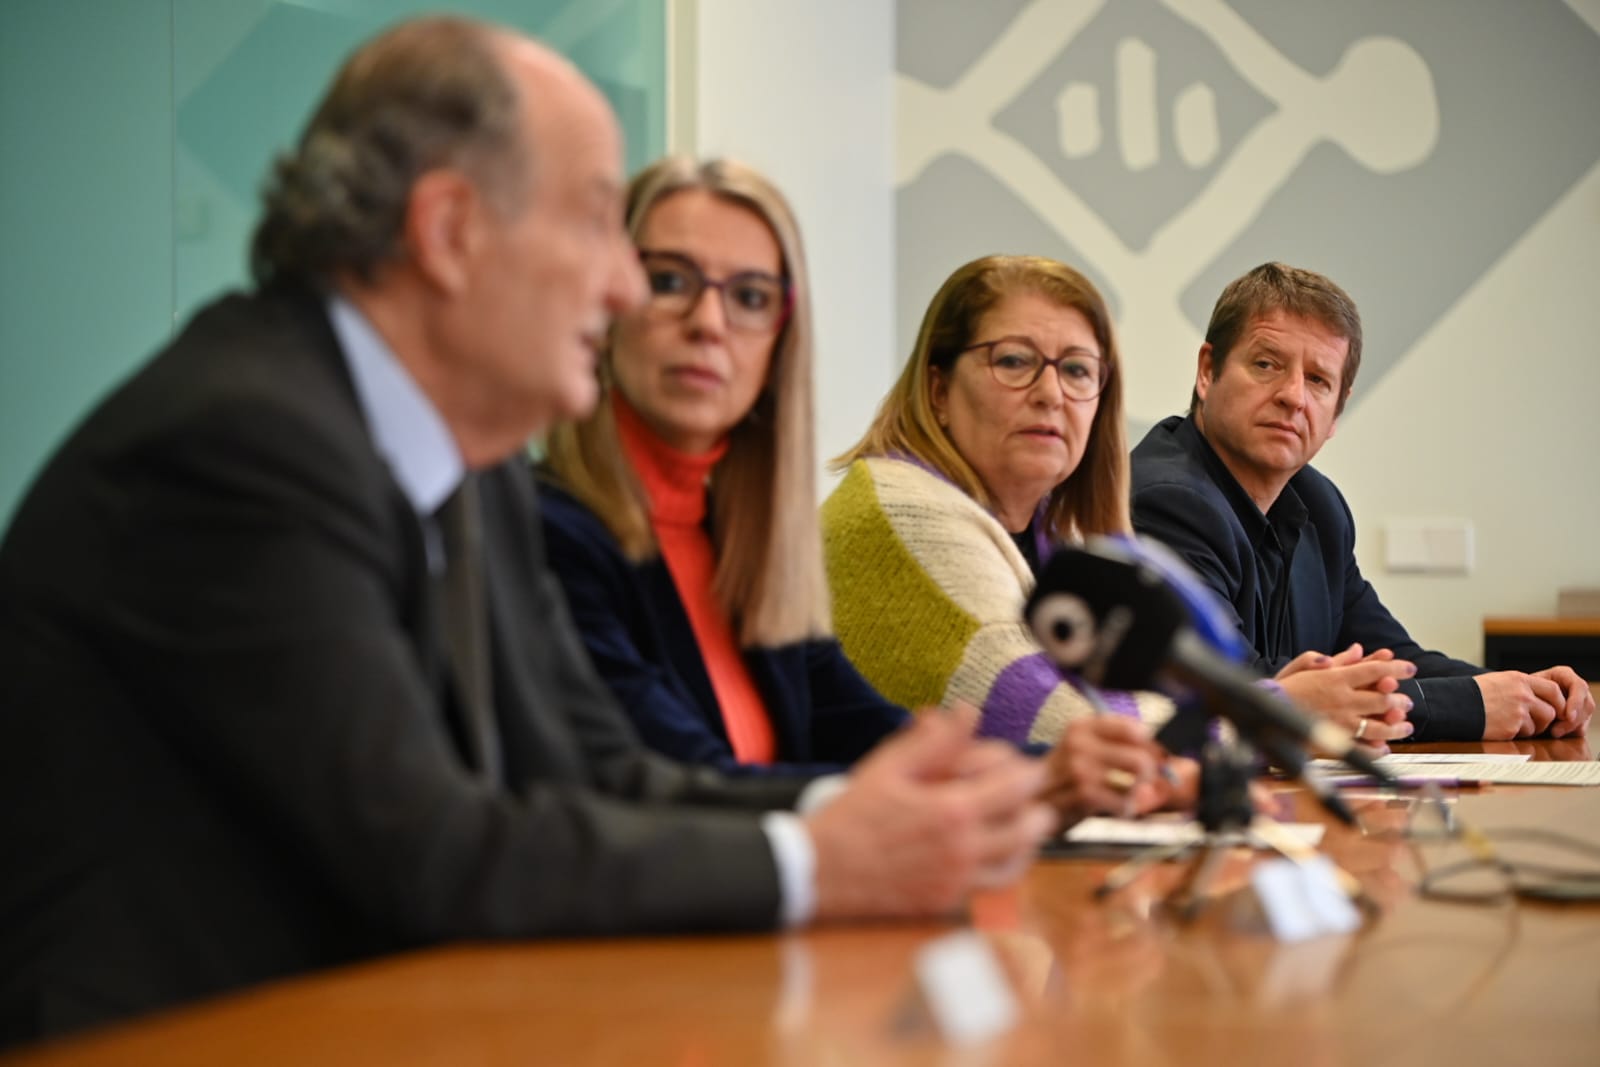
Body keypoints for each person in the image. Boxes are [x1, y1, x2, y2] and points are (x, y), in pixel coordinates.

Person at [0, 19, 1057, 1047]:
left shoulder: (470, 471)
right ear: (450, 230)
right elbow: (432, 852)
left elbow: (593, 768)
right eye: (598, 224)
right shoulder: (240, 445)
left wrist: (881, 805)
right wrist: (821, 862)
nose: (620, 284)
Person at [539, 157, 907, 774]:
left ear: (779, 343)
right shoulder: (548, 534)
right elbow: (684, 786)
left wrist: (1049, 775)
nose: (709, 324)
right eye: (669, 282)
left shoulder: (748, 551)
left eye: (750, 297)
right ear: (607, 306)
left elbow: (877, 735)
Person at [1130, 261, 1594, 742]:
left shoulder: (1319, 506)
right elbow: (1239, 690)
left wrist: (1526, 693)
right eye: (1266, 364)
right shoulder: (1167, 500)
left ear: (1336, 414)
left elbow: (1393, 658)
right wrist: (1475, 705)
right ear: (1208, 372)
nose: (1293, 396)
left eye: (1318, 380)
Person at [821, 255, 1175, 745]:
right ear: (938, 389)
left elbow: (1145, 686)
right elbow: (1058, 724)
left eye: (1076, 370)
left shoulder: (1054, 531)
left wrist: (1254, 702)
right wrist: (1268, 715)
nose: (1051, 393)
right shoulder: (901, 510)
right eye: (1014, 360)